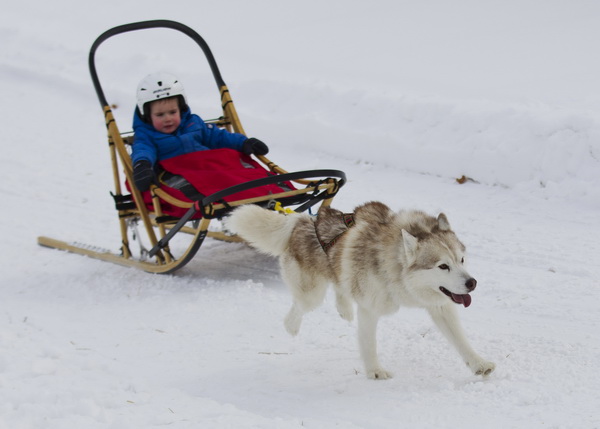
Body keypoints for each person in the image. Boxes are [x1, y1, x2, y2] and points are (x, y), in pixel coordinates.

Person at [131, 72, 269, 191]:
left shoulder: (194, 124)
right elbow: (143, 150)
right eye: (160, 115)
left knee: (233, 170)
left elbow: (219, 137)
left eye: (173, 112)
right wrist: (142, 165)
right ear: (147, 116)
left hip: (207, 166)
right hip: (179, 173)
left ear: (181, 109)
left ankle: (262, 189)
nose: (168, 119)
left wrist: (244, 142)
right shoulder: (147, 135)